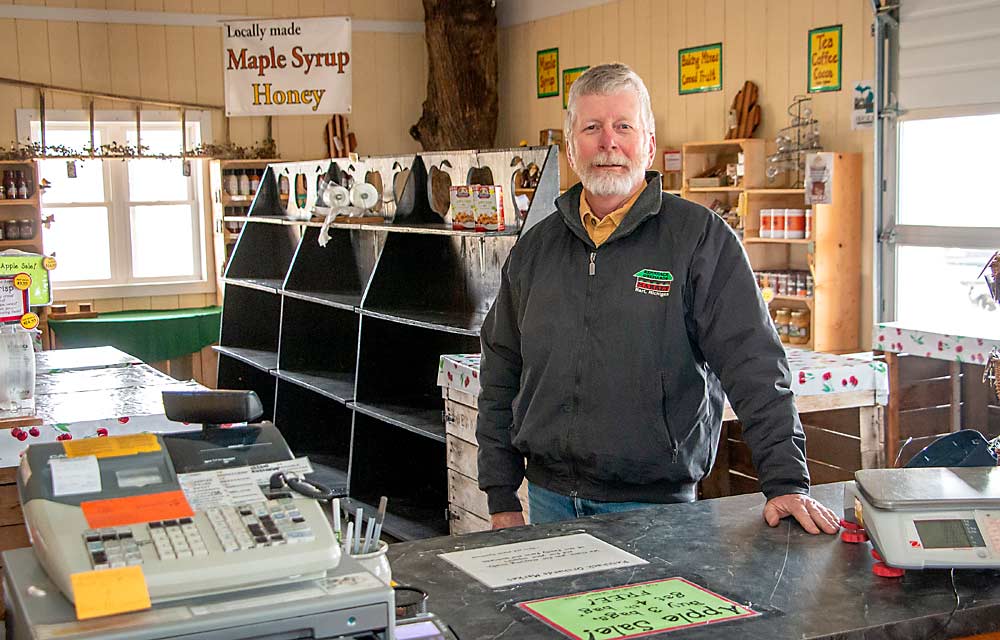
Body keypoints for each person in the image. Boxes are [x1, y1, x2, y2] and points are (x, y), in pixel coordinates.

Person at [476, 63, 840, 535]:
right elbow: (501, 368)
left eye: (623, 126)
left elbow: (754, 363)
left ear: (648, 144)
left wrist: (786, 480)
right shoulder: (535, 249)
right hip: (549, 502)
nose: (608, 142)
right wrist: (501, 493)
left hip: (658, 510)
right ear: (571, 147)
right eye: (591, 128)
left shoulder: (699, 240)